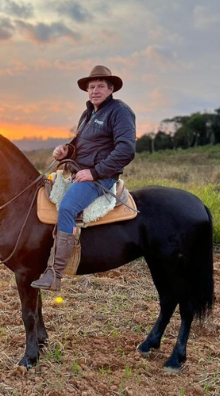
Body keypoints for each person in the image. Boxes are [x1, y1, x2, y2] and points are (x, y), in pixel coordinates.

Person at [31, 65, 137, 291]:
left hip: (100, 178)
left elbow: (126, 150)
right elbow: (81, 144)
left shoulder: (120, 112)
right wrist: (66, 150)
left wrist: (95, 172)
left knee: (68, 207)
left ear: (111, 89)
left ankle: (55, 274)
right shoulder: (88, 113)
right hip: (80, 172)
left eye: (100, 86)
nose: (95, 91)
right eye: (91, 87)